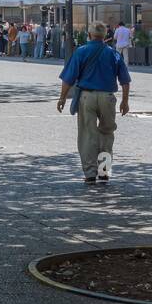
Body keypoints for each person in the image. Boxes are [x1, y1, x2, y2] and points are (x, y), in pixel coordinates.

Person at [56, 22, 132, 185]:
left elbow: (68, 78)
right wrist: (125, 101)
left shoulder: (81, 52)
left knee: (87, 135)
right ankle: (104, 172)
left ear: (89, 35)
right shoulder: (113, 53)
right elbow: (125, 80)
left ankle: (90, 173)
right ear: (105, 36)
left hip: (86, 97)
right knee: (106, 135)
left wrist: (62, 98)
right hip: (107, 97)